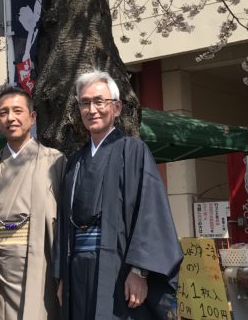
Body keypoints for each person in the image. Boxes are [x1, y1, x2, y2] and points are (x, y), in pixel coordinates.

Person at [55, 71, 182, 320]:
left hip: (119, 266)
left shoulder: (133, 150)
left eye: (99, 101)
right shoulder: (75, 162)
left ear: (117, 107)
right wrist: (62, 277)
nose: (92, 109)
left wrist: (140, 271)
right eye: (85, 102)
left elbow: (150, 211)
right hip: (77, 267)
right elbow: (63, 224)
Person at [0, 86, 65, 320]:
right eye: (3, 112)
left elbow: (65, 227)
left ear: (32, 117)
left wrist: (64, 276)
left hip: (41, 264)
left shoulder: (55, 161)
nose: (11, 118)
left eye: (17, 111)